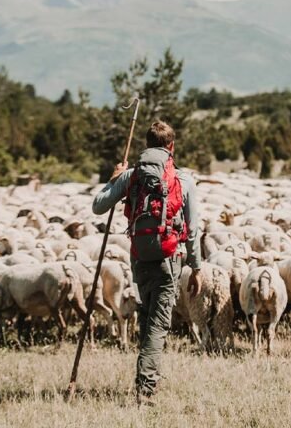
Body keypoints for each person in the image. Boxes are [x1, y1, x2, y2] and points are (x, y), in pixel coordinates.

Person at [92, 121, 202, 406]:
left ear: (147, 144)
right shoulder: (183, 179)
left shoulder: (132, 176)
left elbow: (98, 205)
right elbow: (192, 228)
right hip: (169, 261)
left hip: (139, 260)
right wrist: (197, 267)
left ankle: (146, 377)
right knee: (157, 325)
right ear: (171, 147)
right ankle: (146, 390)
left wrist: (114, 178)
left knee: (145, 319)